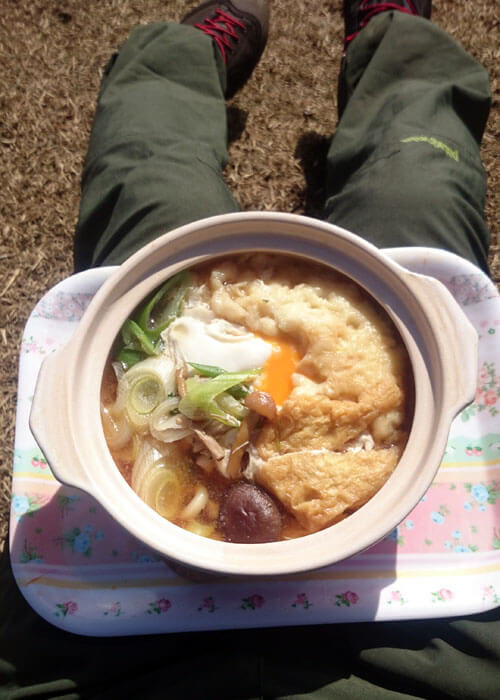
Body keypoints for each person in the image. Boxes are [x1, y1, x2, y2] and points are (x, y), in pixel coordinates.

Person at [1, 1, 498, 697]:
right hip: (429, 657)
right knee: (420, 180)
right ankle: (401, 45)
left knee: (148, 180)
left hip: (97, 665)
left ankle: (169, 69)